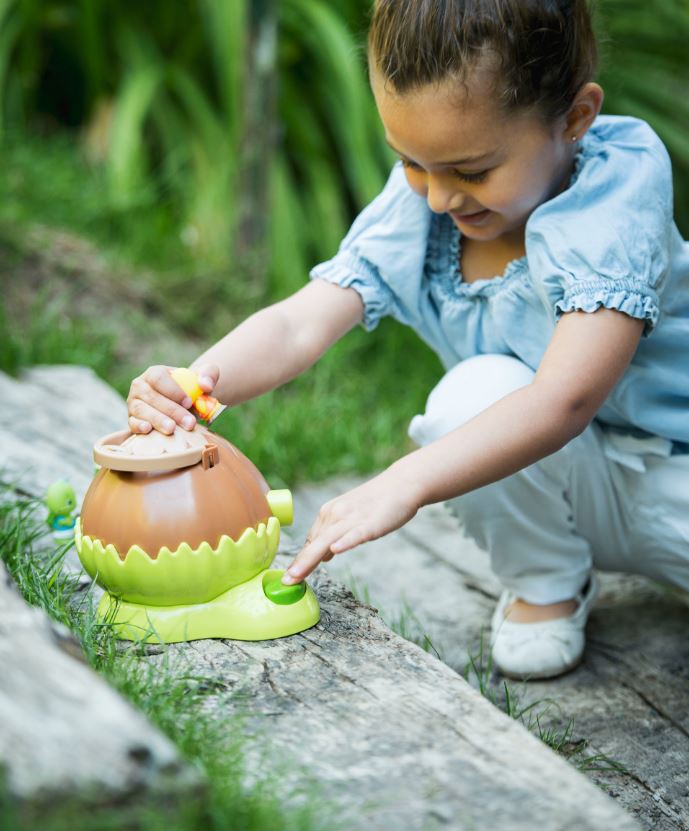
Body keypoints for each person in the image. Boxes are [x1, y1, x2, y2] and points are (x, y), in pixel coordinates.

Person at [126, 0, 689, 680]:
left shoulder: (613, 193)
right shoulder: (425, 203)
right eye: (411, 163)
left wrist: (405, 482)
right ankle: (546, 580)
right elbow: (301, 322)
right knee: (469, 397)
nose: (439, 198)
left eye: (471, 171)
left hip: (674, 479)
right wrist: (194, 385)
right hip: (577, 479)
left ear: (574, 117)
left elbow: (565, 399)